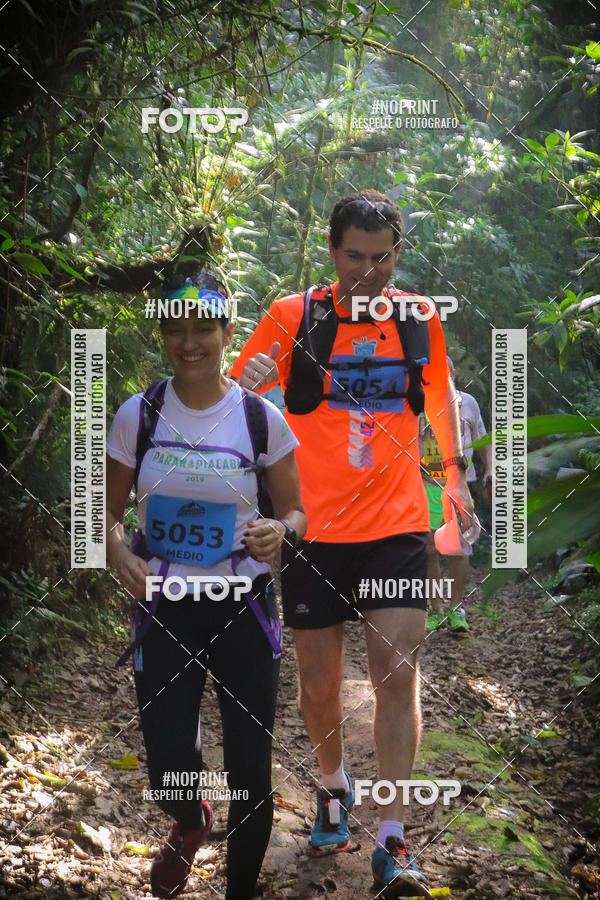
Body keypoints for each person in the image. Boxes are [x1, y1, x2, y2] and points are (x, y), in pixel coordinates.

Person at [229, 191, 474, 893]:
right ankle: (334, 786)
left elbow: (439, 400)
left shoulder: (419, 318)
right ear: (333, 252)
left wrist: (454, 491)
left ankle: (395, 843)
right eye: (354, 257)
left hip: (396, 525)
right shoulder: (291, 316)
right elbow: (234, 403)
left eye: (382, 258)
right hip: (311, 529)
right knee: (319, 686)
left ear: (398, 252)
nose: (368, 273)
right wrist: (245, 387)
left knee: (398, 674)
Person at [106, 272, 306, 900]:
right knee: (167, 764)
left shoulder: (258, 418)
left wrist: (279, 529)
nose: (188, 343)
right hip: (165, 605)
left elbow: (298, 511)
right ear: (163, 334)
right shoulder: (139, 415)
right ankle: (191, 822)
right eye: (174, 330)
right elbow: (103, 515)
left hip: (242, 604)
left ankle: (239, 892)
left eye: (202, 330)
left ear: (227, 333)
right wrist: (117, 552)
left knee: (249, 766)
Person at [420, 356, 492, 632]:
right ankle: (436, 609)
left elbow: (484, 440)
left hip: (460, 483)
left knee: (459, 550)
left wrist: (490, 471)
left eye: (444, 370)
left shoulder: (468, 403)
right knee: (429, 550)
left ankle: (457, 609)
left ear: (453, 373)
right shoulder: (417, 403)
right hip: (426, 485)